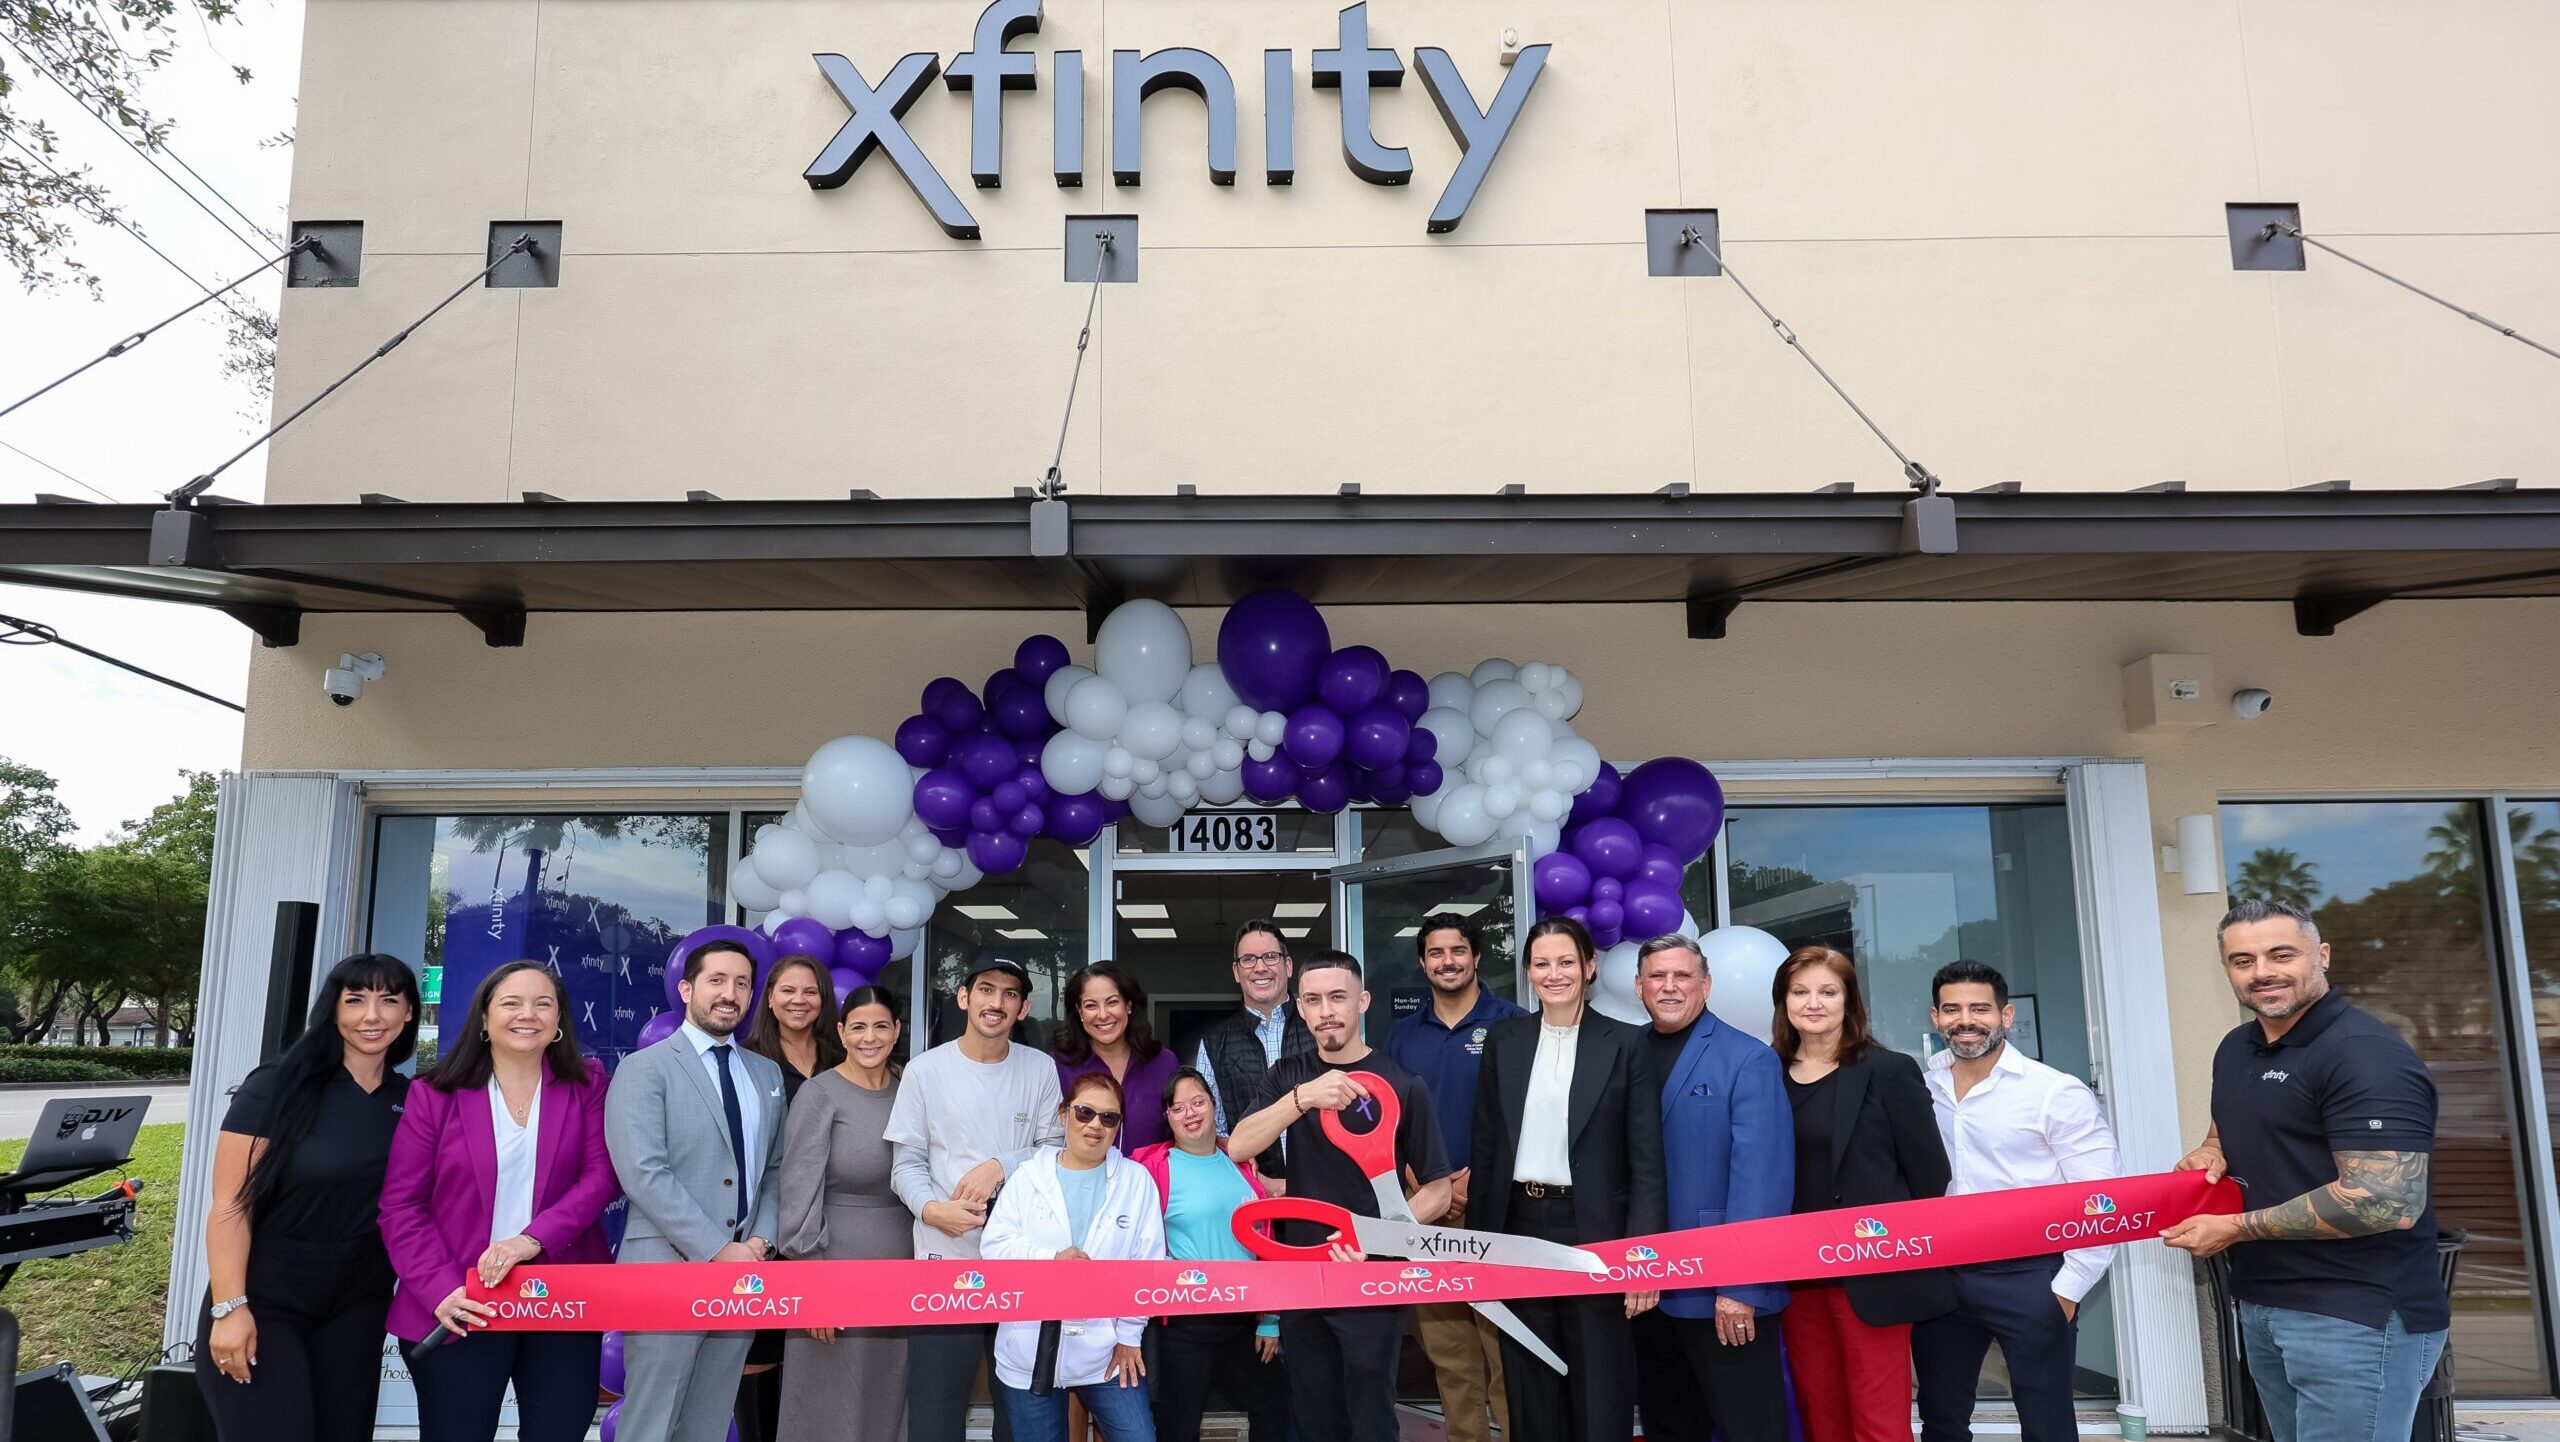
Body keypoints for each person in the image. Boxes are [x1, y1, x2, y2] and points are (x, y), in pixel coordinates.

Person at [2162, 898, 2449, 1442]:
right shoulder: (2237, 1048)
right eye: (2242, 960)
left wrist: (2235, 1228)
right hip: (2266, 1303)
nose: (2263, 972)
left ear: (2321, 956)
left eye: (2281, 954)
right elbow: (2223, 1132)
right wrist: (2210, 1154)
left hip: (2356, 1314)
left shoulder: (2364, 1054)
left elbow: (2385, 1199)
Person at [380, 960, 619, 1442]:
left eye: (542, 1003)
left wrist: (531, 1240)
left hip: (561, 1300)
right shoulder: (434, 1094)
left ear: (558, 1022)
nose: (526, 1014)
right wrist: (440, 1289)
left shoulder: (589, 1083)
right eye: (511, 1002)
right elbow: (401, 1206)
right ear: (485, 1019)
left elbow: (601, 1177)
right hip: (462, 1302)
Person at [195, 952, 423, 1442]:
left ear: (408, 1014)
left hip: (357, 1304)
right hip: (267, 1300)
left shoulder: (412, 1100)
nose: (371, 1016)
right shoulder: (278, 1086)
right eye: (356, 1000)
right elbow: (231, 1203)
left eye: (389, 1001)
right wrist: (230, 1308)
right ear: (334, 1010)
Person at [1228, 949, 1453, 1442]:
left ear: (1363, 1002)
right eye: (1312, 1000)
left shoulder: (1404, 1083)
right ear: (1301, 1010)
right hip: (1303, 1274)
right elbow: (1241, 1145)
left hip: (1369, 1275)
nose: (1326, 1010)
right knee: (1315, 1416)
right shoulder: (1288, 1075)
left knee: (1371, 1417)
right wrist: (1304, 1098)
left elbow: (1436, 1190)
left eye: (1337, 997)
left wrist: (1374, 1238)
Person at [1467, 916, 1665, 1442]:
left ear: (1589, 966)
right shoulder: (1504, 1040)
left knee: (1601, 1387)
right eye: (1541, 963)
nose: (1554, 974)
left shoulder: (1626, 1044)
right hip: (1518, 1226)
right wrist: (1478, 1248)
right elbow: (1485, 1152)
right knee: (1531, 1386)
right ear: (1528, 971)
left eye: (1565, 962)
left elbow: (1647, 1161)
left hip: (1596, 1232)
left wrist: (1642, 1259)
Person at [1912, 959, 2121, 1442]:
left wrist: (2067, 1289)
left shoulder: (2055, 1093)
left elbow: (2102, 1201)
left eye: (1980, 1008)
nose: (1966, 1020)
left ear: (2005, 1017)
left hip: (2030, 1278)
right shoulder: (1921, 1088)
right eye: (1952, 1009)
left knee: (2046, 1422)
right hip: (1941, 1279)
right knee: (1941, 1419)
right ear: (1935, 1017)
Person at [605, 939, 789, 1442]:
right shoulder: (644, 1068)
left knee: (709, 1418)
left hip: (742, 1273)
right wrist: (716, 1249)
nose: (730, 993)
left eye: (742, 983)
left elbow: (774, 1169)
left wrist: (760, 1244)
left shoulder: (765, 1074)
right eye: (717, 980)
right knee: (652, 1419)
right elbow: (643, 1173)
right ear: (686, 989)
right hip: (665, 1270)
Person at [1772, 944, 1954, 1442]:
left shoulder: (1889, 1071)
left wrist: (1883, 1237)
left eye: (1828, 992)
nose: (1814, 1003)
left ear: (1849, 1000)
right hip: (1799, 1276)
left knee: (1878, 1422)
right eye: (1801, 991)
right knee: (1821, 1414)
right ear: (1783, 1001)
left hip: (1873, 1273)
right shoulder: (1766, 1074)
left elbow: (1929, 1176)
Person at [886, 955, 1067, 1442]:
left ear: (1025, 1008)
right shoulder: (925, 1071)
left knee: (1022, 1410)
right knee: (936, 1408)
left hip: (1022, 1258)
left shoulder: (1040, 1069)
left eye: (1010, 994)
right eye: (986, 990)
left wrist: (999, 1166)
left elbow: (1054, 1151)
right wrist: (932, 1209)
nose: (997, 1002)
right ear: (964, 998)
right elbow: (906, 1164)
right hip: (944, 1259)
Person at [1628, 934, 1793, 1442]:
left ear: (1706, 984)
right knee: (1668, 1423)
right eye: (1658, 976)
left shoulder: (1748, 1059)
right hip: (1643, 1287)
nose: (1670, 987)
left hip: (1719, 1290)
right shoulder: (1621, 1052)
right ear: (1639, 986)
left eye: (1683, 976)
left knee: (1749, 1425)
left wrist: (1739, 1286)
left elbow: (1762, 1179)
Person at [1380, 914, 1525, 1442]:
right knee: (1451, 1361)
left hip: (1496, 1214)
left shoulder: (1512, 1022)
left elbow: (1527, 1116)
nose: (1448, 961)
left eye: (1458, 950)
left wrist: (1472, 1184)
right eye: (1437, 953)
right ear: (1422, 962)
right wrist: (1426, 1187)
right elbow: (1389, 1122)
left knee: (1506, 1353)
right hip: (1426, 1215)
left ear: (1477, 957)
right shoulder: (1401, 1036)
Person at [984, 1072, 1166, 1442]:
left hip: (1106, 1352)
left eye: (1108, 1117)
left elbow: (1147, 1265)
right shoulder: (1027, 1177)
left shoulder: (1136, 1181)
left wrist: (1130, 1335)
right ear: (1064, 1114)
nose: (1095, 1125)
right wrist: (1051, 1259)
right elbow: (994, 1248)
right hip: (1029, 1352)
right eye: (1084, 1112)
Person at [775, 984, 912, 1442]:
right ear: (841, 1031)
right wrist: (815, 1287)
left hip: (903, 1273)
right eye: (857, 1027)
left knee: (889, 1398)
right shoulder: (819, 1094)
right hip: (834, 1273)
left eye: (879, 1026)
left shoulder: (912, 1091)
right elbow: (796, 1191)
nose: (869, 1038)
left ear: (896, 1032)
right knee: (828, 1409)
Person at [1131, 1067, 1290, 1442]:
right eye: (1178, 1107)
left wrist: (1270, 1318)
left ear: (1213, 1105)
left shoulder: (1240, 1161)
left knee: (1276, 1403)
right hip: (1186, 1325)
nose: (1190, 1113)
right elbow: (1137, 1242)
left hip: (1242, 1322)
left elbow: (1264, 1241)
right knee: (1179, 1426)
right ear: (1167, 1117)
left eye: (1197, 1102)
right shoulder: (1151, 1169)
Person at [736, 954, 846, 1442]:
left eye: (811, 991)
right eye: (788, 991)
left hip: (831, 1225)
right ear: (770, 998)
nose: (800, 1001)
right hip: (765, 1226)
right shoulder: (745, 1060)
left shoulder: (842, 1056)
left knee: (821, 1352)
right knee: (760, 1353)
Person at [1194, 918, 1315, 1138]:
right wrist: (1246, 1167)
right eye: (1248, 959)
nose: (1260, 967)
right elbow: (1211, 1129)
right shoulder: (1213, 1044)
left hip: (1319, 1172)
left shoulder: (1319, 1028)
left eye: (1270, 957)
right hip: (1248, 1173)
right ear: (1236, 972)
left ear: (1288, 966)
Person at [1053, 960, 1180, 1152]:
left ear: (1128, 1005)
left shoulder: (1164, 1063)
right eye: (1091, 1005)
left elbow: (1180, 1134)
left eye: (1112, 1002)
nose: (1103, 1015)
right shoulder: (1057, 1066)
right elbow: (1048, 1141)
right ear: (1079, 1012)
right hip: (1082, 1180)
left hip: (1151, 1180)